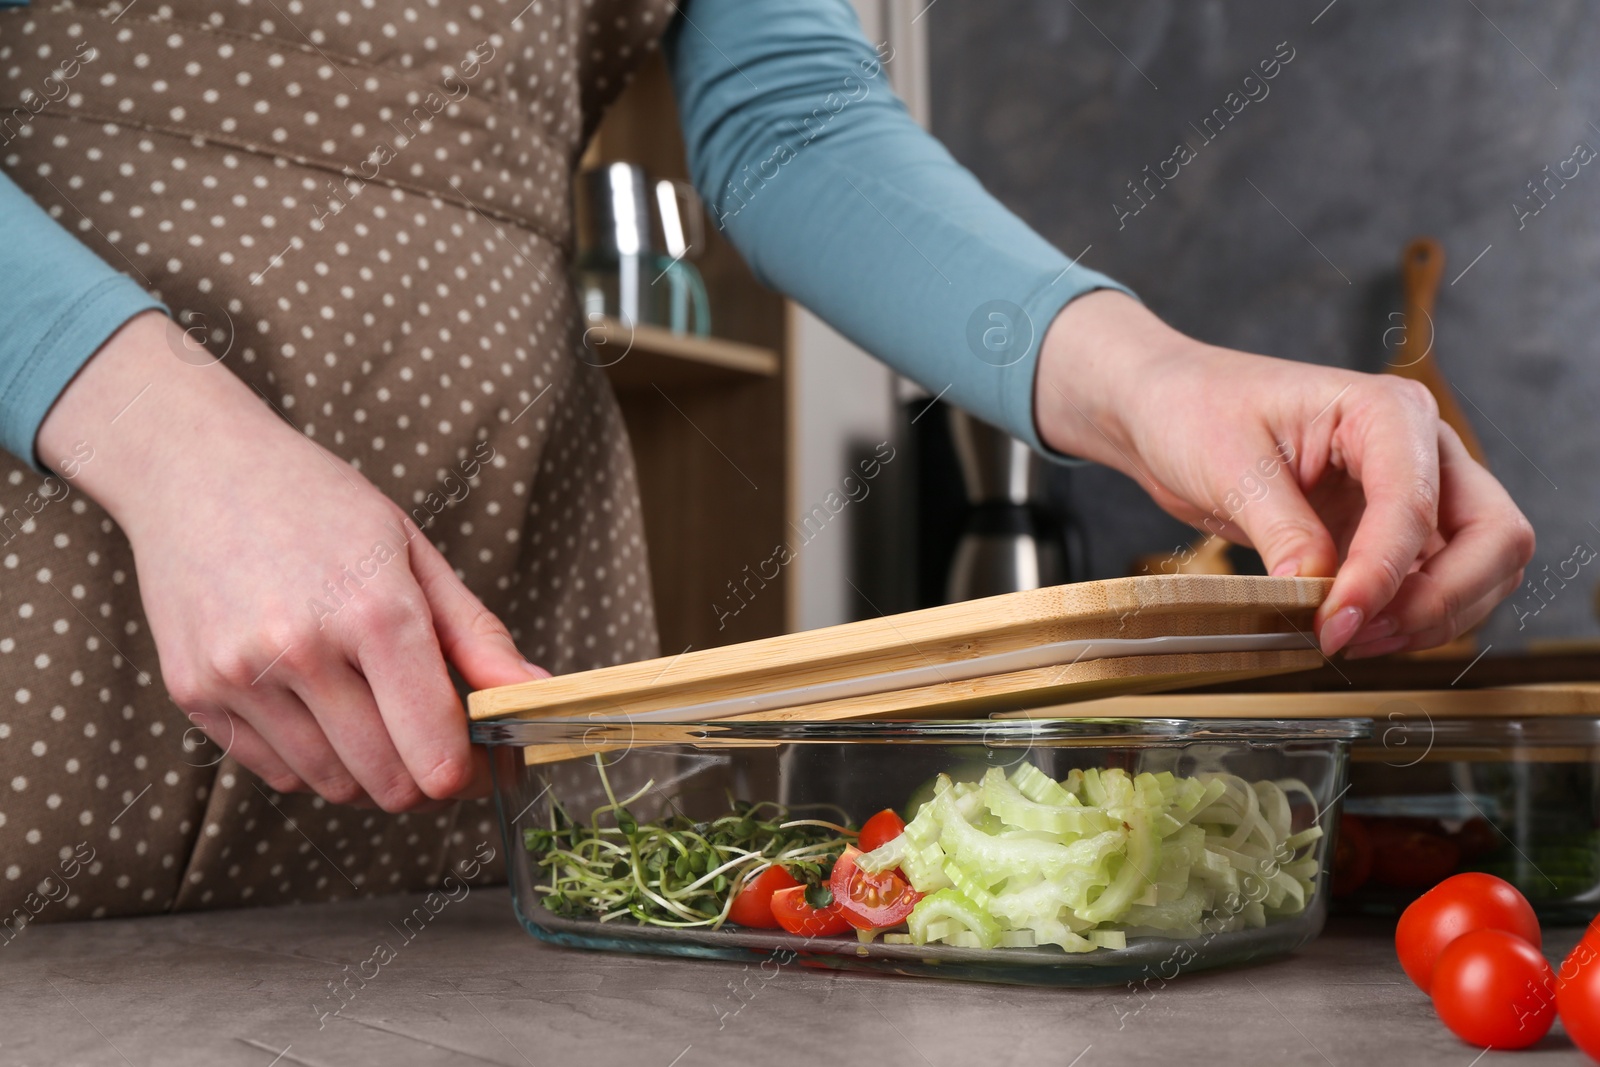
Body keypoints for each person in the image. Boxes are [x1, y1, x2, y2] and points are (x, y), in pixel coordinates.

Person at [0, 0, 1532, 922]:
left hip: (507, 584)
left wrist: (1158, 383)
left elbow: (793, 118)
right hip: (62, 561)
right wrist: (161, 439)